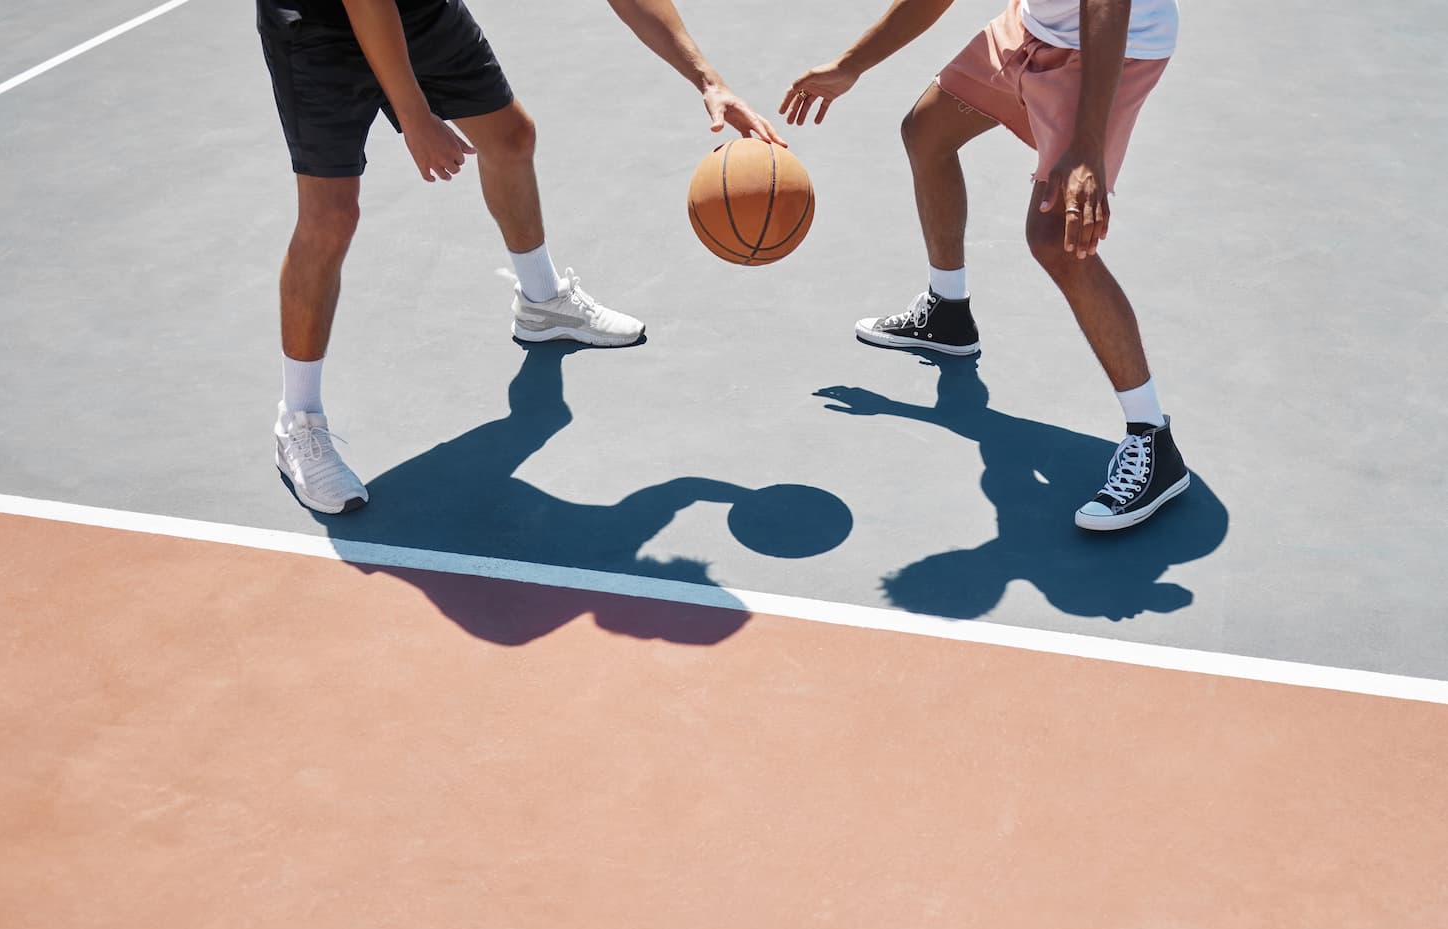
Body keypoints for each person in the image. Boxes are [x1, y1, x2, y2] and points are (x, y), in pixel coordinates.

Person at [258, 0, 783, 513]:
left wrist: (707, 79)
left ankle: (542, 302)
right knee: (331, 216)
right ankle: (297, 421)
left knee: (510, 137)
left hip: (418, 11)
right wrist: (415, 116)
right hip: (318, 26)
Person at [781, 0, 1188, 531]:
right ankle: (947, 315)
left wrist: (1087, 149)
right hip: (1033, 28)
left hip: (1113, 46)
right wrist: (851, 64)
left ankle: (1153, 439)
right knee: (927, 131)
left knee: (1057, 242)